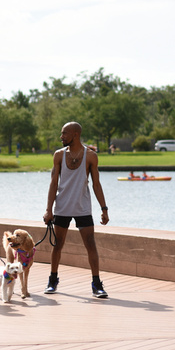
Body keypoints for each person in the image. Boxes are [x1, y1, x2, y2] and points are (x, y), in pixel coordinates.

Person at [43, 122, 109, 298]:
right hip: (62, 207)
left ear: (75, 135)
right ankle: (52, 280)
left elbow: (96, 184)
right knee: (58, 245)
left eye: (64, 133)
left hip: (83, 207)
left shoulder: (90, 156)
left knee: (90, 244)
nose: (61, 136)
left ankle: (97, 284)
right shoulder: (58, 155)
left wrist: (104, 208)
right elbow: (53, 183)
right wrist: (48, 210)